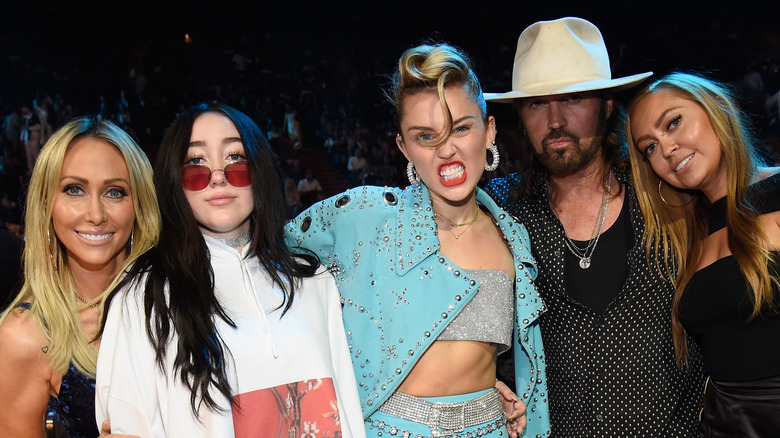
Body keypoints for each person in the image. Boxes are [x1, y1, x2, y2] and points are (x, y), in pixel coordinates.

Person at [285, 42, 550, 438]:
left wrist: (478, 393)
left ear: (489, 130)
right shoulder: (364, 217)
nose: (447, 150)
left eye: (461, 127)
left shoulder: (512, 236)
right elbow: (268, 263)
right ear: (403, 146)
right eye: (425, 136)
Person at [483, 17, 706, 436]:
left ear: (606, 105)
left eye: (572, 99)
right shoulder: (498, 210)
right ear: (519, 116)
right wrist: (480, 384)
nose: (554, 121)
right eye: (537, 104)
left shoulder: (666, 192)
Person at [95, 102, 365, 437]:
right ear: (173, 180)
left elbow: (346, 411)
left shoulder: (311, 279)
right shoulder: (143, 294)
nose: (218, 177)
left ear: (260, 170)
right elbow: (127, 418)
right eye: (196, 163)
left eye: (235, 158)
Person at [626, 71, 780, 437]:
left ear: (718, 110)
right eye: (649, 147)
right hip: (723, 423)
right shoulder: (685, 238)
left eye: (674, 123)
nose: (665, 149)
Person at [0, 117, 160, 438]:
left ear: (139, 205)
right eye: (74, 190)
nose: (96, 215)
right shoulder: (23, 337)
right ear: (47, 204)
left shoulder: (177, 301)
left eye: (115, 192)